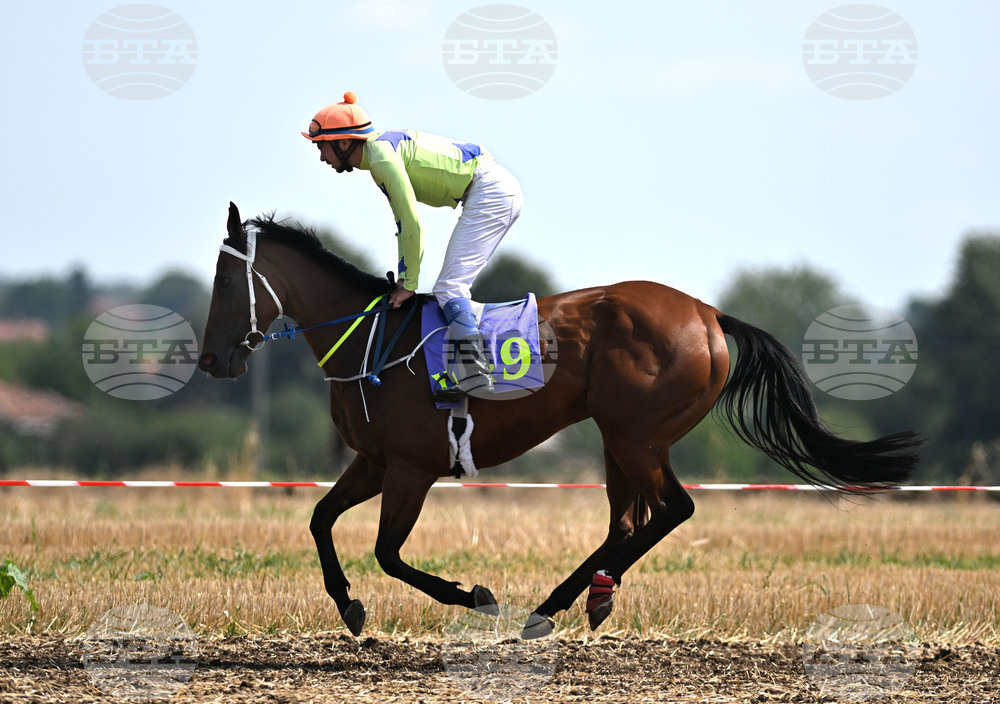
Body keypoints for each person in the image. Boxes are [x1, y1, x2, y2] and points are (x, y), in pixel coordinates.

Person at [302, 91, 523, 401]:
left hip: (490, 192)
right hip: (491, 189)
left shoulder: (381, 158)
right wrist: (407, 278)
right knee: (451, 286)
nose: (321, 157)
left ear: (343, 142)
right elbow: (403, 225)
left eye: (321, 146)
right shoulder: (379, 154)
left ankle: (474, 372)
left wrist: (409, 284)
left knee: (449, 288)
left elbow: (411, 224)